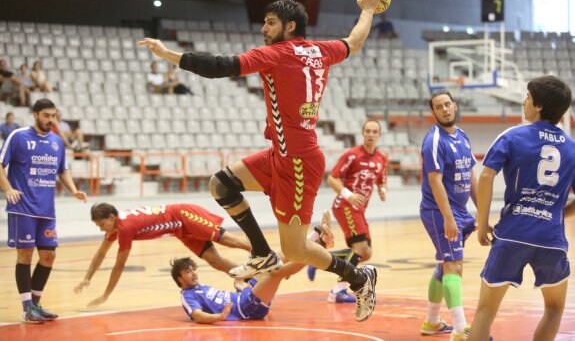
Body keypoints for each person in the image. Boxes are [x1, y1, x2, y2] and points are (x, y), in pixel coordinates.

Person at [138, 0, 384, 322]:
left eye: (269, 23)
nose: (263, 29)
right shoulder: (321, 50)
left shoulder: (276, 54)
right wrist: (368, 9)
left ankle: (359, 277)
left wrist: (169, 55)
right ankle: (261, 253)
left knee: (296, 250)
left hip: (298, 164)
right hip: (281, 154)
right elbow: (354, 41)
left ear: (290, 27)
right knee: (221, 184)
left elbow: (219, 66)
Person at [468, 76, 575, 341]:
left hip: (512, 234)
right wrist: (558, 214)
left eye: (527, 97)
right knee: (554, 309)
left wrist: (482, 226)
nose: (523, 101)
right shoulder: (572, 148)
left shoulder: (513, 135)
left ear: (538, 105)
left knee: (485, 312)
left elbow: (485, 176)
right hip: (551, 239)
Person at [0, 98, 87, 324]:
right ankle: (27, 308)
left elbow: (62, 170)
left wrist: (74, 190)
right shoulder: (18, 136)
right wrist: (8, 188)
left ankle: (36, 305)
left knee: (49, 255)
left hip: (47, 210)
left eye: (54, 115)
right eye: (47, 115)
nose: (51, 120)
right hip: (23, 208)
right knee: (25, 255)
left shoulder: (57, 142)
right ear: (35, 115)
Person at [73, 202, 253, 307]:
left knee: (228, 240)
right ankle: (253, 277)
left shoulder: (125, 228)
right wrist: (87, 277)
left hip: (183, 215)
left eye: (101, 224)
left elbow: (119, 266)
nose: (101, 228)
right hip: (179, 230)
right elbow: (100, 253)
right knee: (216, 262)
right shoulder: (115, 228)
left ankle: (261, 251)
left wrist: (106, 295)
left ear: (111, 217)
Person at [171, 213, 334, 323]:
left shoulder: (201, 288)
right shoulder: (188, 295)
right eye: (187, 271)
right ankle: (319, 247)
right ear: (179, 279)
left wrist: (240, 288)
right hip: (247, 308)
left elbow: (223, 299)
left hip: (246, 294)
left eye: (193, 269)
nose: (193, 273)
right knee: (277, 273)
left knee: (274, 261)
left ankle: (316, 235)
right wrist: (219, 317)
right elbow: (197, 315)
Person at [307, 119, 387, 304]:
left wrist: (383, 190)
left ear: (379, 135)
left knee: (365, 253)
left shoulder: (382, 158)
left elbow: (381, 179)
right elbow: (333, 179)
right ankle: (338, 291)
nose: (370, 134)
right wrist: (348, 195)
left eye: (374, 132)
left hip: (359, 209)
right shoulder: (352, 155)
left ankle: (317, 259)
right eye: (367, 131)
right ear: (362, 133)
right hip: (345, 206)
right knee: (359, 249)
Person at [419, 90, 478, 340]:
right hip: (439, 211)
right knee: (453, 266)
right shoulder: (433, 140)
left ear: (454, 106)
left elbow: (471, 176)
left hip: (460, 211)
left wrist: (481, 212)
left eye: (447, 104)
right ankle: (460, 328)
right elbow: (435, 181)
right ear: (434, 113)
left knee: (445, 267)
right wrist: (449, 218)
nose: (444, 109)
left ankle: (432, 323)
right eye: (439, 107)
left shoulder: (463, 136)